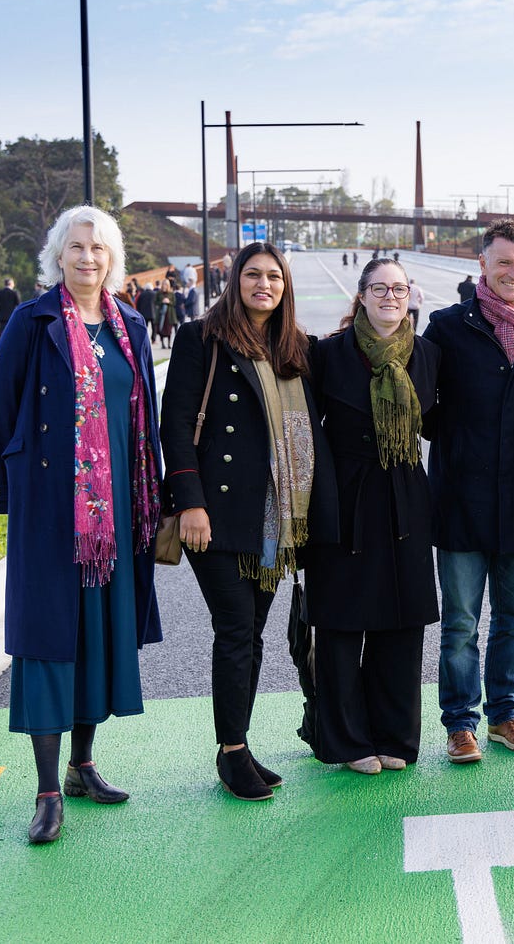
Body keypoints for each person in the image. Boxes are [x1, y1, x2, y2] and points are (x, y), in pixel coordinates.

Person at [0, 205, 164, 844]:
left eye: (99, 249)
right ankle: (47, 789)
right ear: (58, 256)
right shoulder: (32, 324)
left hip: (116, 510)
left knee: (96, 636)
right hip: (53, 514)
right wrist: (18, 492)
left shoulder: (130, 326)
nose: (88, 258)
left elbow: (144, 418)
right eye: (77, 248)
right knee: (50, 642)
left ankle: (83, 766)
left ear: (111, 260)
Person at [162, 241, 338, 801]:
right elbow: (176, 423)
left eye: (274, 277)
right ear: (235, 280)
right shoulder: (202, 339)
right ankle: (231, 752)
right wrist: (190, 501)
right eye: (254, 275)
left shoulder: (295, 349)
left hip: (273, 521)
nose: (265, 284)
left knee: (252, 633)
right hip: (214, 515)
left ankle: (238, 744)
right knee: (236, 628)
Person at [424, 219, 514, 763]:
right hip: (460, 497)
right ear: (481, 263)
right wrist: (464, 444)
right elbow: (423, 409)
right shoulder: (446, 328)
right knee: (460, 622)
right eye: (504, 261)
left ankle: (504, 714)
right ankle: (461, 722)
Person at [305, 258, 439, 773]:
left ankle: (395, 736)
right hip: (343, 496)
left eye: (399, 289)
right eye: (379, 288)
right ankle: (346, 740)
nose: (389, 297)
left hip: (405, 495)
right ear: (360, 296)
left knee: (402, 621)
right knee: (341, 623)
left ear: (410, 296)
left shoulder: (427, 356)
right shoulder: (328, 354)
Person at [155, 281, 177, 349]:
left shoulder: (171, 293)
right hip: (161, 314)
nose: (164, 286)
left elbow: (174, 303)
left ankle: (169, 343)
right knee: (161, 329)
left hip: (169, 314)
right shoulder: (159, 293)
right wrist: (162, 301)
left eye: (166, 285)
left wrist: (169, 301)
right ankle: (162, 344)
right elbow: (155, 302)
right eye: (163, 284)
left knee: (169, 330)